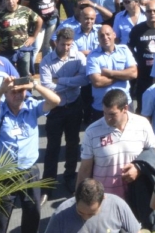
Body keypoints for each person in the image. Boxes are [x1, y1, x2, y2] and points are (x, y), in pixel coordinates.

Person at [0, 74, 62, 233]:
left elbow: (55, 101)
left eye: (21, 91)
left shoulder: (32, 107)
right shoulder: (0, 111)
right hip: (4, 174)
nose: (17, 95)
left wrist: (34, 85)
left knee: (32, 214)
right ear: (6, 94)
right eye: (13, 92)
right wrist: (1, 89)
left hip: (29, 172)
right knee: (0, 218)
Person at [41, 26, 90, 192]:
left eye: (69, 45)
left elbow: (84, 80)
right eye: (63, 44)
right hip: (55, 109)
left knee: (72, 143)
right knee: (52, 147)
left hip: (74, 106)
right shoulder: (46, 61)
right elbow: (47, 86)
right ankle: (48, 184)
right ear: (56, 42)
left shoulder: (78, 57)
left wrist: (60, 80)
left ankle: (70, 177)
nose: (66, 48)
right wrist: (71, 81)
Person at [46, 178, 142, 233]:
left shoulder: (117, 205)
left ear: (103, 199)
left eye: (92, 214)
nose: (85, 217)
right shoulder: (60, 215)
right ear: (75, 197)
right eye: (80, 212)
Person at [86, 25, 138, 123]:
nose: (105, 37)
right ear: (98, 39)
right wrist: (122, 76)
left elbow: (133, 73)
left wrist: (110, 73)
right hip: (101, 108)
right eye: (101, 36)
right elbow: (97, 82)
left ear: (114, 35)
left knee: (128, 136)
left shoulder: (124, 50)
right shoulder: (92, 56)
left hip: (125, 105)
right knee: (102, 138)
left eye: (108, 34)